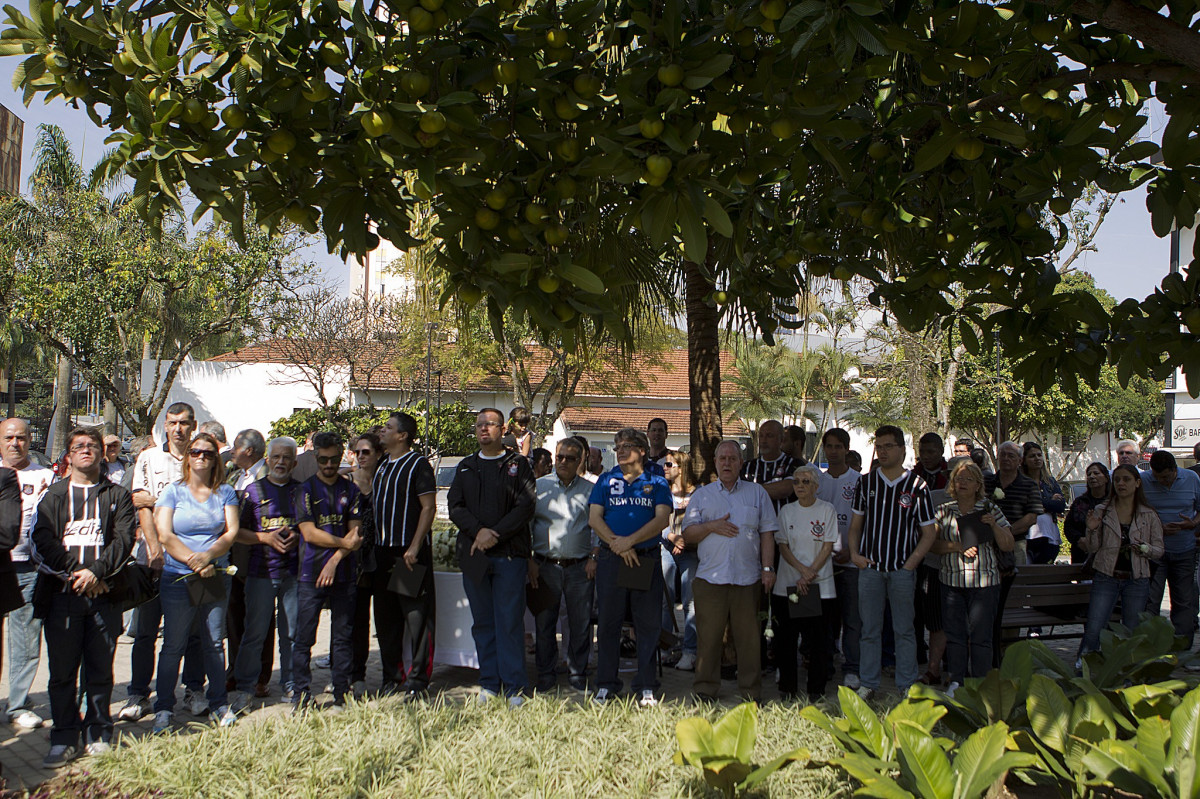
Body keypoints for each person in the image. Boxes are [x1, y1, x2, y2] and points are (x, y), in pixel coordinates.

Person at [29, 427, 135, 768]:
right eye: (79, 446)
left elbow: (124, 540)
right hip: (63, 597)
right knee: (62, 672)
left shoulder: (117, 495)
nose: (86, 450)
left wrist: (97, 573)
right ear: (69, 455)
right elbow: (42, 542)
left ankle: (99, 732)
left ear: (102, 453)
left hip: (105, 596)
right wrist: (78, 573)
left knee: (100, 670)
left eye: (92, 446)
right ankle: (63, 737)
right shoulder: (54, 496)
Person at [120, 403, 208, 722]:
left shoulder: (201, 460)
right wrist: (155, 550)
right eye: (173, 423)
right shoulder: (149, 458)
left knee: (193, 632)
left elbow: (201, 508)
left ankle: (193, 689)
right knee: (145, 631)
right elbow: (140, 504)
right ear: (165, 425)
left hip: (191, 559)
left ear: (194, 425)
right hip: (151, 559)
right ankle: (138, 694)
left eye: (185, 423)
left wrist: (160, 502)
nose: (179, 429)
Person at [151, 431, 240, 733]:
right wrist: (194, 560)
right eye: (195, 452)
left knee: (214, 643)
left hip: (214, 575)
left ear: (217, 458)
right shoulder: (172, 492)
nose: (201, 457)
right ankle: (163, 708)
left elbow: (230, 533)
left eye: (208, 453)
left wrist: (208, 558)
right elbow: (164, 534)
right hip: (178, 576)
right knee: (173, 644)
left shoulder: (225, 492)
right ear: (187, 457)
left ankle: (219, 704)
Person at [448, 408, 536, 705]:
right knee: (483, 622)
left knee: (510, 622)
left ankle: (514, 687)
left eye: (490, 424)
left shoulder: (518, 465)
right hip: (475, 555)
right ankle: (489, 683)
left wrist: (494, 534)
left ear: (504, 429)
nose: (484, 429)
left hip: (509, 555)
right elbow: (455, 506)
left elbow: (525, 507)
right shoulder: (465, 467)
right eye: (479, 425)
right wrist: (478, 532)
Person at [683, 439, 778, 702]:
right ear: (715, 463)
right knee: (709, 639)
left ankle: (750, 692)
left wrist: (768, 569)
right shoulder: (702, 495)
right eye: (722, 458)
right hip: (710, 579)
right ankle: (705, 689)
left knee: (749, 641)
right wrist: (711, 526)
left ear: (740, 463)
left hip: (747, 579)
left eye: (732, 459)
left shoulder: (757, 493)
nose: (727, 463)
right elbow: (689, 534)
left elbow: (768, 533)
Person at [847, 425, 937, 700]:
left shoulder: (917, 485)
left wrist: (911, 563)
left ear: (902, 449)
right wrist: (854, 555)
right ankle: (869, 682)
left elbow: (929, 532)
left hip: (901, 571)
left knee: (905, 630)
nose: (882, 451)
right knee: (869, 630)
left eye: (888, 446)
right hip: (871, 569)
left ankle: (907, 684)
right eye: (879, 446)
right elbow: (855, 527)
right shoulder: (866, 483)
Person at [589, 428, 672, 706]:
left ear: (642, 450)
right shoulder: (605, 479)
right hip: (613, 560)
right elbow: (594, 518)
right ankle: (606, 684)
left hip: (643, 558)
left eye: (626, 446)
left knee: (646, 624)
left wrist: (631, 543)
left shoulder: (656, 482)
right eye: (617, 447)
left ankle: (646, 685)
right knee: (609, 623)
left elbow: (662, 520)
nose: (620, 451)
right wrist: (618, 545)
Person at [292, 432, 364, 710]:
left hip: (343, 572)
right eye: (323, 459)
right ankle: (301, 693)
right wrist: (343, 544)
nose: (329, 464)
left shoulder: (351, 490)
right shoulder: (305, 490)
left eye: (335, 458)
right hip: (310, 573)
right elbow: (309, 533)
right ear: (316, 457)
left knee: (343, 637)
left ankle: (341, 693)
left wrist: (335, 559)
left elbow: (355, 534)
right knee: (304, 637)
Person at [229, 437, 300, 712]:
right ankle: (245, 689)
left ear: (294, 462)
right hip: (260, 572)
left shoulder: (302, 491)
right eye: (276, 457)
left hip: (293, 573)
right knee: (254, 633)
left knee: (291, 633)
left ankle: (292, 685)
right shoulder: (252, 491)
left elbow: (311, 526)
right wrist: (264, 538)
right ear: (267, 460)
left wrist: (299, 534)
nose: (281, 462)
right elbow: (237, 532)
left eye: (287, 458)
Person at [369, 412, 437, 699]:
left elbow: (428, 508)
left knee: (415, 618)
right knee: (385, 619)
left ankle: (418, 680)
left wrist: (414, 546)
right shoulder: (383, 463)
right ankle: (391, 677)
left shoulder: (417, 465)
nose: (382, 431)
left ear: (403, 435)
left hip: (406, 554)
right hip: (381, 552)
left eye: (388, 428)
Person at [931, 461, 1013, 693]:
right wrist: (956, 546)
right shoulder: (944, 510)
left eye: (968, 479)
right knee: (955, 635)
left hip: (985, 582)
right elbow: (931, 545)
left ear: (978, 484)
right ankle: (956, 680)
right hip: (952, 581)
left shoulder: (989, 508)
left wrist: (994, 525)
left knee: (981, 636)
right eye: (959, 478)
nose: (963, 483)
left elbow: (1007, 545)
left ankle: (981, 684)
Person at [529, 438, 595, 692]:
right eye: (560, 457)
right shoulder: (539, 487)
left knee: (580, 623)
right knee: (545, 624)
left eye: (569, 458)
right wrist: (530, 561)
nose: (563, 462)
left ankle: (577, 672)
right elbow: (526, 525)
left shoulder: (590, 490)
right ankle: (545, 674)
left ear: (580, 461)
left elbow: (598, 527)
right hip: (545, 566)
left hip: (580, 567)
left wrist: (594, 557)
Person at [1, 417, 54, 730]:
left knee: (26, 639)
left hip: (29, 568)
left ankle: (17, 704)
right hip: (0, 565)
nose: (14, 444)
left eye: (20, 438)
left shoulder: (45, 476)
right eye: (8, 438)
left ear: (30, 440)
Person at [1078, 464, 1164, 656]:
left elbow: (1159, 550)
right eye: (1117, 480)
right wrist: (1091, 529)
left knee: (1132, 628)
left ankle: (1127, 672)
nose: (1121, 483)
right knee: (1095, 626)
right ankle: (1082, 667)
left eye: (1126, 479)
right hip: (1106, 576)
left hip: (1137, 578)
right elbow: (1092, 548)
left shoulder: (1148, 514)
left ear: (1137, 483)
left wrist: (1146, 549)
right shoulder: (1102, 510)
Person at [772, 464, 837, 699]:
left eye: (805, 482)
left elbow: (828, 544)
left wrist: (810, 574)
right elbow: (783, 545)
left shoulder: (827, 510)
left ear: (816, 486)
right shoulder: (786, 511)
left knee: (818, 642)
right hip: (788, 584)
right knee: (786, 640)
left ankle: (816, 690)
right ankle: (788, 688)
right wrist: (801, 571)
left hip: (819, 586)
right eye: (796, 482)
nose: (800, 486)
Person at [223, 428, 272, 698]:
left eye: (236, 447)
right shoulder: (233, 476)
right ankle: (235, 671)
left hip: (260, 557)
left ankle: (260, 676)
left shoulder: (268, 476)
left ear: (249, 451)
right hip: (233, 557)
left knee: (260, 620)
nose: (232, 451)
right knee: (235, 619)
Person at [1141, 450, 1200, 648]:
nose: (1162, 482)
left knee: (1184, 601)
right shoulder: (1144, 480)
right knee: (1150, 600)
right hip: (1154, 551)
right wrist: (1156, 528)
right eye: (1157, 478)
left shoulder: (1192, 479)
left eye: (1166, 477)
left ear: (1175, 470)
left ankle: (1183, 650)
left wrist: (1192, 523)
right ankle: (1148, 649)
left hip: (1184, 549)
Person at [819, 427, 863, 690]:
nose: (833, 451)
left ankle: (853, 667)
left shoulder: (860, 481)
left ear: (847, 449)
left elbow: (866, 522)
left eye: (838, 447)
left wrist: (853, 550)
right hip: (822, 564)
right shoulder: (817, 481)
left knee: (853, 618)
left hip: (850, 562)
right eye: (829, 446)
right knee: (825, 618)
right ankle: (824, 663)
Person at [911, 431, 949, 682]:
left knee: (942, 612)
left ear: (941, 452)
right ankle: (917, 651)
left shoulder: (950, 475)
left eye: (931, 452)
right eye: (922, 452)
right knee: (917, 604)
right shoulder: (914, 475)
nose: (926, 457)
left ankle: (947, 660)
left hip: (943, 551)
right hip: (916, 548)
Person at [348, 431, 381, 697]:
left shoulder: (385, 480)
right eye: (358, 452)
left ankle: (392, 672)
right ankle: (355, 674)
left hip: (381, 556)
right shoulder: (347, 482)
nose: (360, 457)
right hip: (356, 560)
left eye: (366, 452)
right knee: (356, 619)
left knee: (384, 618)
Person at [662, 449, 698, 671]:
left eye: (669, 465)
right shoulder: (662, 491)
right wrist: (672, 537)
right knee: (664, 600)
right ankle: (665, 648)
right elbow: (657, 519)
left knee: (690, 601)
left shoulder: (699, 493)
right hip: (666, 547)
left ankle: (690, 651)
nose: (664, 468)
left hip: (691, 550)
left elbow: (701, 518)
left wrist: (684, 539)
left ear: (681, 467)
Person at [984, 442, 1043, 566]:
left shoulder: (1029, 485)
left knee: (1016, 582)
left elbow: (1032, 517)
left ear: (1020, 460)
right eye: (1003, 455)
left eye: (1011, 456)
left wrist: (1005, 532)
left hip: (1016, 543)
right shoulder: (986, 481)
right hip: (987, 542)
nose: (1006, 459)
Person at [741, 420, 803, 513]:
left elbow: (785, 489)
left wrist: (750, 491)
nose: (764, 440)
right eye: (761, 436)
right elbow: (739, 493)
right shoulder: (747, 467)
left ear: (781, 440)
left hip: (785, 525)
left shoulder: (794, 464)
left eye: (769, 436)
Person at [1021, 441, 1065, 565]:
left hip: (1049, 535)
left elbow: (1060, 506)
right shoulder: (1021, 482)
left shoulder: (1049, 482)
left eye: (1039, 455)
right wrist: (1049, 501)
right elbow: (1024, 504)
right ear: (1024, 460)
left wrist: (1040, 504)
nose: (1037, 458)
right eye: (1032, 456)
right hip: (1028, 536)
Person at [1063, 462, 1111, 564]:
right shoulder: (1080, 502)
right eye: (1089, 474)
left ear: (1106, 478)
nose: (1092, 477)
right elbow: (1068, 526)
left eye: (1096, 473)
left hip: (1107, 554)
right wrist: (1079, 539)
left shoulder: (1113, 502)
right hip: (1081, 553)